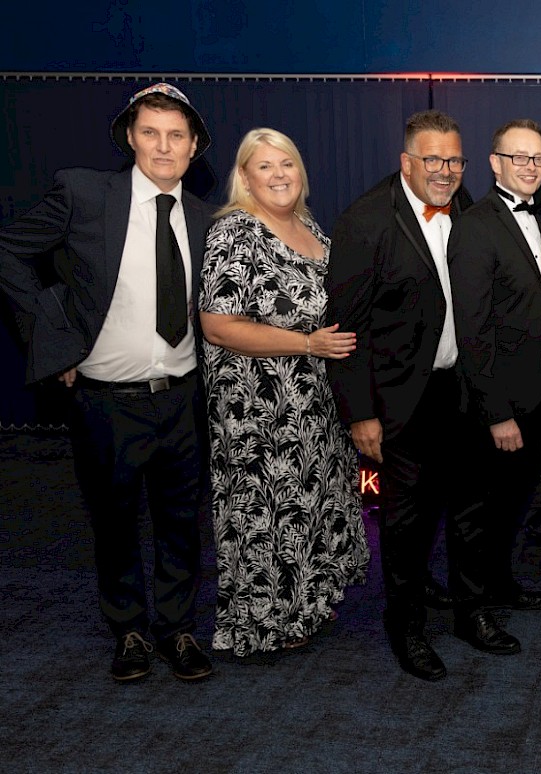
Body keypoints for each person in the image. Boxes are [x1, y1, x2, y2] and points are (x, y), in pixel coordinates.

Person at [0, 83, 214, 681]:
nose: (163, 146)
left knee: (181, 524)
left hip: (183, 398)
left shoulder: (206, 219)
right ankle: (130, 632)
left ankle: (177, 630)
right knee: (114, 523)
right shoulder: (84, 193)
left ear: (194, 146)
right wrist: (54, 336)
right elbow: (8, 251)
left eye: (176, 136)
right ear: (129, 138)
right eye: (150, 133)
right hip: (106, 402)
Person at [326, 110, 520, 682]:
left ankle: (470, 613)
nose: (445, 171)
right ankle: (405, 627)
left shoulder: (465, 208)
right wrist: (361, 413)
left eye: (455, 160)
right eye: (432, 159)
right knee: (407, 522)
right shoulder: (364, 221)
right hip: (401, 397)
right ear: (406, 161)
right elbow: (345, 328)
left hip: (462, 389)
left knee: (471, 509)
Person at [199, 128, 370, 656]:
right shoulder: (234, 232)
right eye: (265, 166)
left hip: (315, 403)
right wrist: (306, 343)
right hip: (259, 409)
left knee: (309, 506)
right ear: (244, 177)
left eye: (287, 164)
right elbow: (217, 325)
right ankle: (264, 622)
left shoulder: (308, 225)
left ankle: (307, 603)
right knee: (266, 514)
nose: (279, 175)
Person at [447, 119, 541, 611]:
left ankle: (500, 584)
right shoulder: (475, 225)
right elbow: (473, 328)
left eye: (538, 158)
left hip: (533, 393)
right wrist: (496, 413)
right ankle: (472, 613)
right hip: (495, 401)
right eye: (519, 157)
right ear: (495, 163)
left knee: (511, 501)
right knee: (476, 510)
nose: (530, 167)